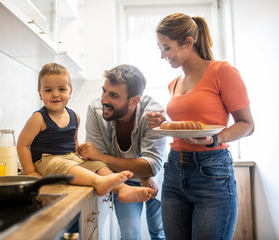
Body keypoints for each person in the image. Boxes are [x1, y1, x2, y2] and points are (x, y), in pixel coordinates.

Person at [146, 13, 255, 240]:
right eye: (159, 48)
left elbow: (247, 125)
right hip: (174, 170)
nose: (162, 55)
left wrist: (214, 139)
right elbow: (189, 124)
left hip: (212, 172)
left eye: (166, 48)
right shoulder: (174, 83)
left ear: (188, 42)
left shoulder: (222, 71)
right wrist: (164, 124)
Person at [17, 63, 155, 203]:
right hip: (46, 160)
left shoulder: (74, 116)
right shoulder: (38, 118)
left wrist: (81, 158)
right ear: (40, 94)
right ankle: (99, 182)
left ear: (70, 92)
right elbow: (22, 145)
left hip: (70, 158)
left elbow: (74, 140)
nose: (55, 94)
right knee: (67, 165)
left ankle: (123, 189)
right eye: (48, 90)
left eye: (62, 89)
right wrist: (30, 172)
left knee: (98, 165)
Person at [78, 64, 167, 240]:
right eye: (104, 91)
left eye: (113, 95)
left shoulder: (153, 114)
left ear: (134, 100)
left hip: (157, 178)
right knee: (129, 234)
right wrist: (141, 169)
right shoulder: (96, 110)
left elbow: (151, 165)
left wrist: (146, 173)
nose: (104, 99)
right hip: (122, 180)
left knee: (159, 231)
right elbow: (95, 162)